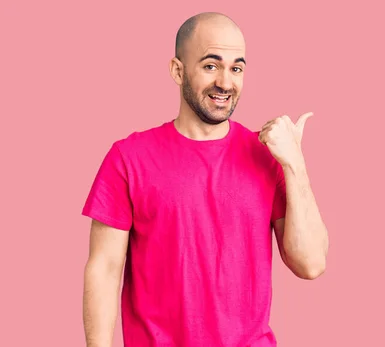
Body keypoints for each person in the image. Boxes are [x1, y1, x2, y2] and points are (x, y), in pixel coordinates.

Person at [81, 12, 329, 347]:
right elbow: (105, 270)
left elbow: (310, 263)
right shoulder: (128, 157)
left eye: (236, 68)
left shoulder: (268, 157)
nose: (226, 83)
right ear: (178, 70)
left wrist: (294, 163)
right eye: (211, 66)